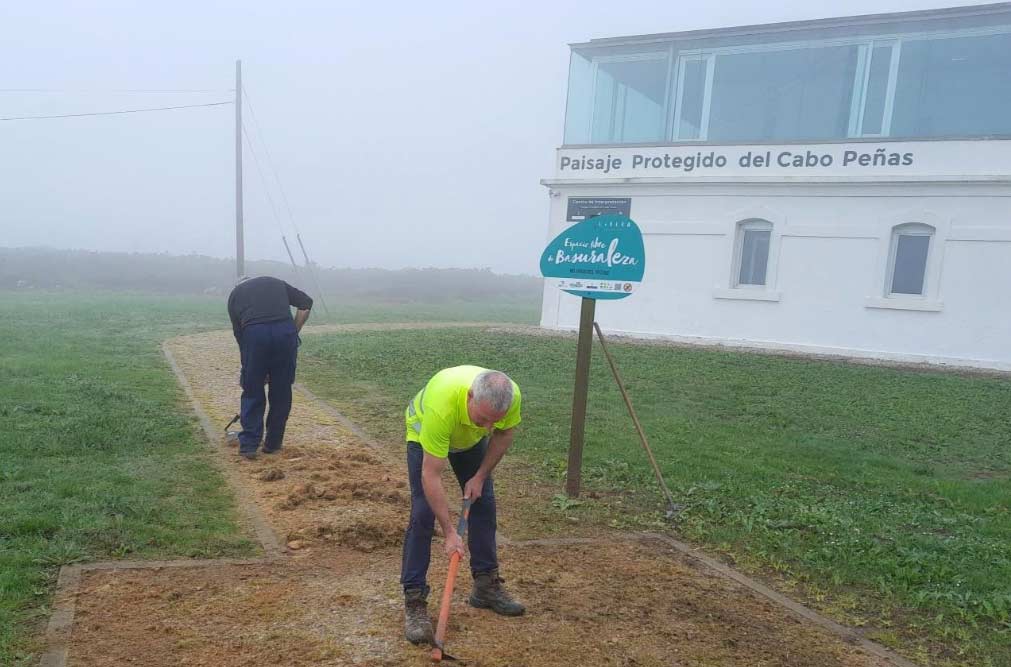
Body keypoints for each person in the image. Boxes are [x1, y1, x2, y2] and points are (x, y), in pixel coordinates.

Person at [401, 365, 526, 645]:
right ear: (470, 396)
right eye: (483, 419)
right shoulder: (441, 405)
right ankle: (414, 599)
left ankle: (485, 586)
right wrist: (450, 532)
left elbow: (504, 434)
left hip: (466, 441)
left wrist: (480, 476)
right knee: (423, 513)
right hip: (425, 434)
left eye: (495, 421)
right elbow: (431, 475)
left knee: (483, 502)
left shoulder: (510, 396)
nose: (489, 428)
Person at [226, 275, 313, 460]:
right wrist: (292, 332)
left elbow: (240, 336)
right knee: (281, 392)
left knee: (252, 391)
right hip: (285, 333)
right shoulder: (276, 282)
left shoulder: (235, 295)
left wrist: (249, 370)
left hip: (255, 335)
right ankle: (272, 444)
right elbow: (306, 304)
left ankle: (249, 446)